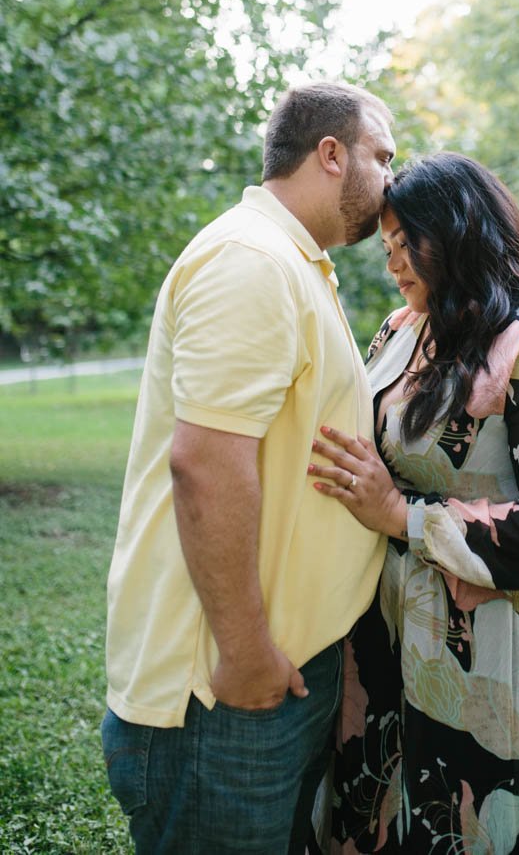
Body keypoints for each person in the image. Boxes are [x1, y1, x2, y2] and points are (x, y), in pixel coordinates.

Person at [101, 81, 397, 854]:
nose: (392, 180)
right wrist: (245, 652)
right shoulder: (251, 261)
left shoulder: (293, 262)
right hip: (225, 696)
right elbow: (204, 464)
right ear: (330, 154)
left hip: (278, 680)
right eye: (382, 156)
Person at [308, 152, 519, 854]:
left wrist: (403, 518)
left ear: (463, 231)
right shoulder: (398, 330)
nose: (394, 262)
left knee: (476, 821)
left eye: (410, 242)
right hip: (383, 623)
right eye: (387, 247)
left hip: (492, 642)